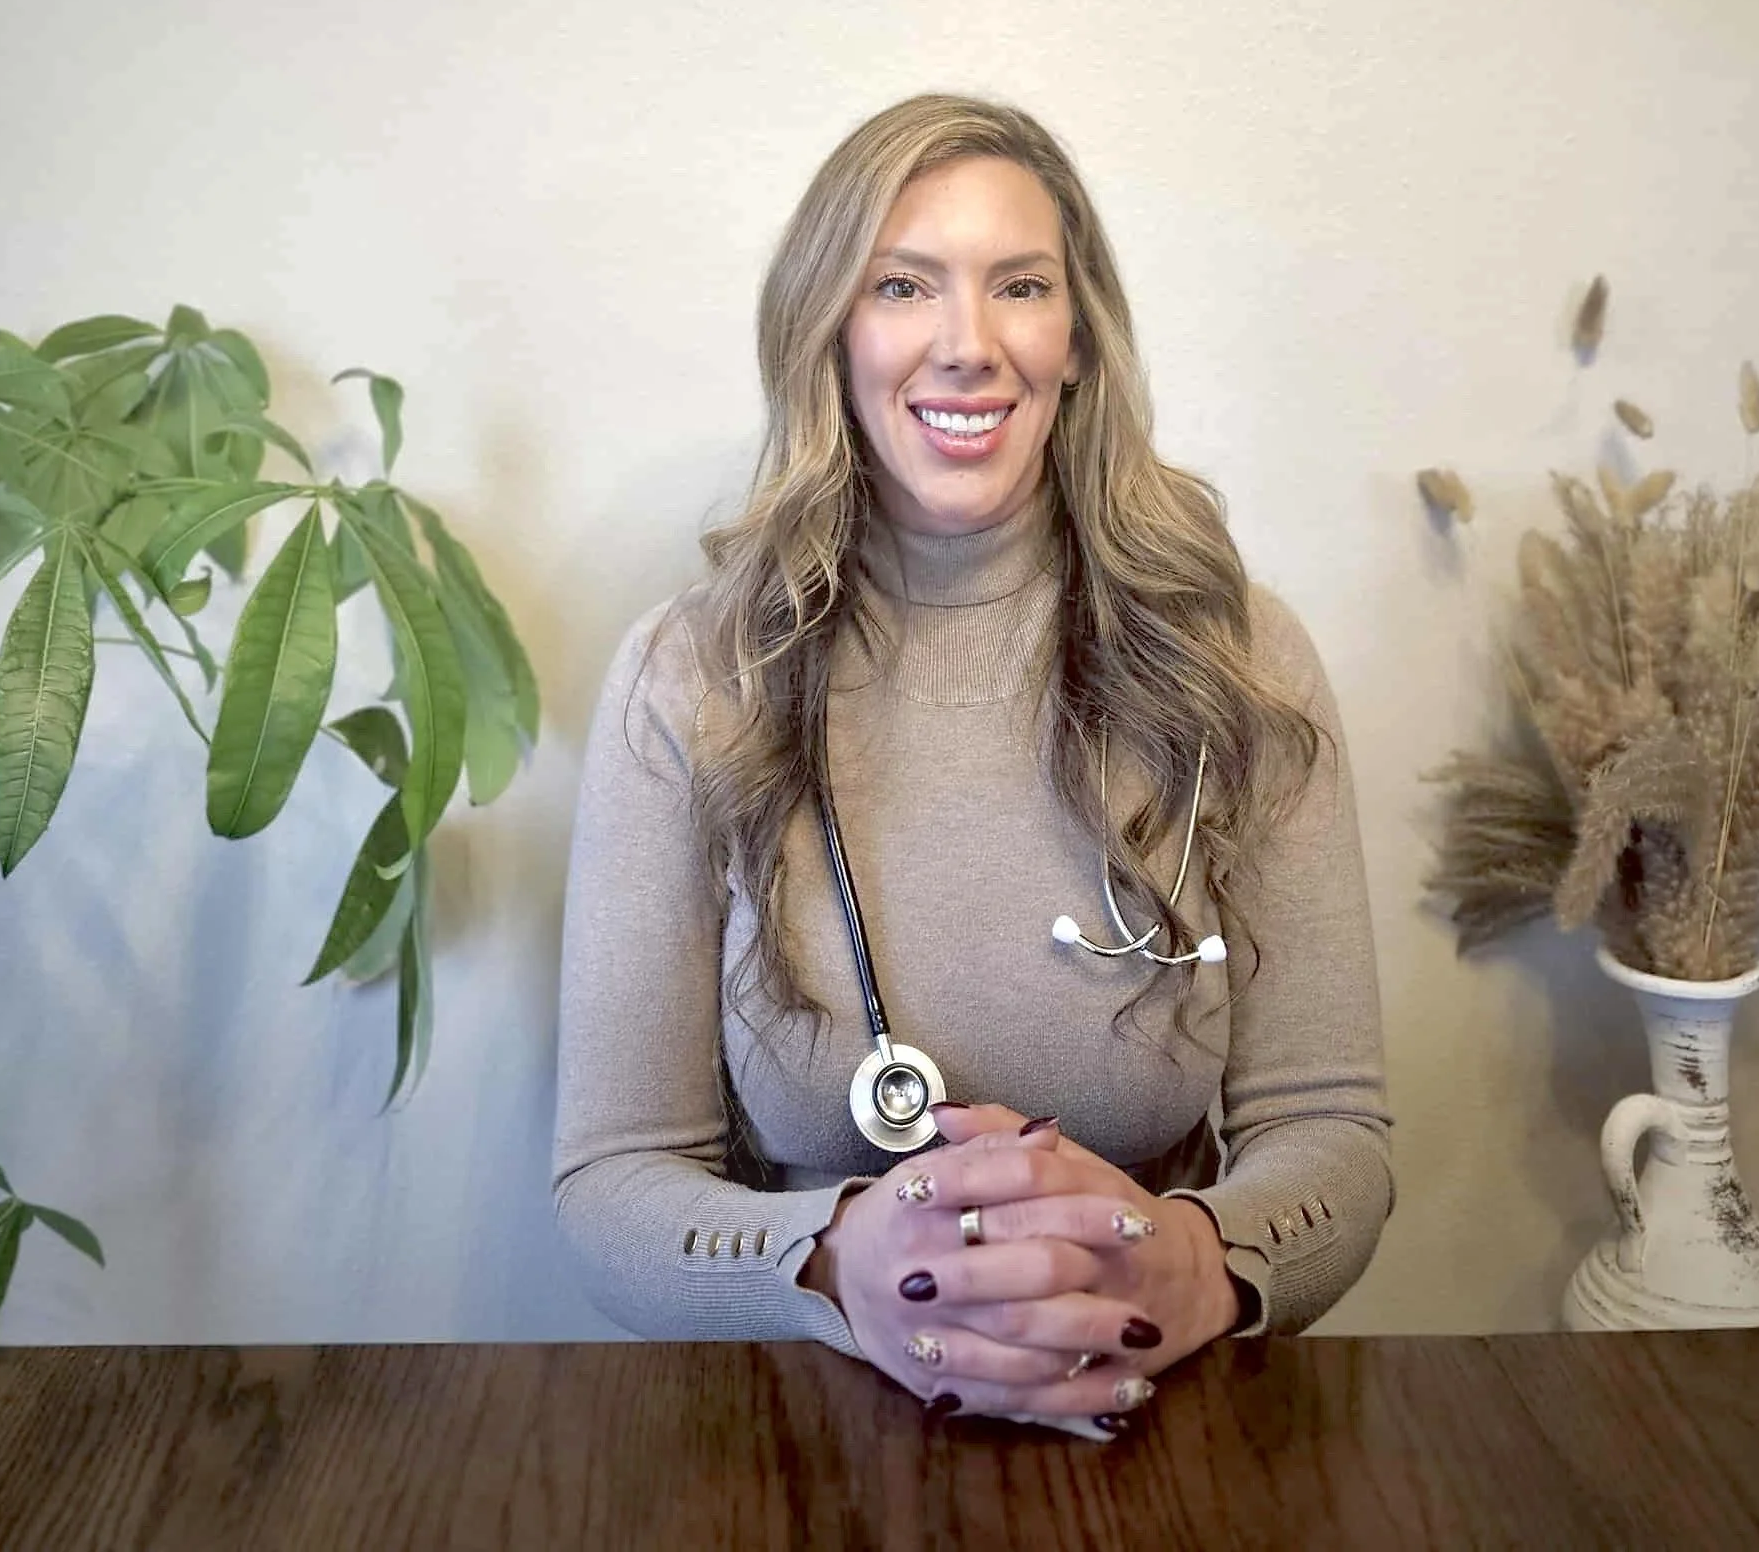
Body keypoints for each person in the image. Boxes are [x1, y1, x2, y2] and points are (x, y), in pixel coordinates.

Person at [552, 95, 1391, 1430]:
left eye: (1020, 287)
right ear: (831, 332)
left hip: (1156, 1423)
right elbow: (612, 1184)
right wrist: (833, 1263)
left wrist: (1196, 1262)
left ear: (1077, 339)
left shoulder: (1236, 660)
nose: (969, 346)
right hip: (809, 1434)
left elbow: (1334, 1134)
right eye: (904, 286)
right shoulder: (693, 677)